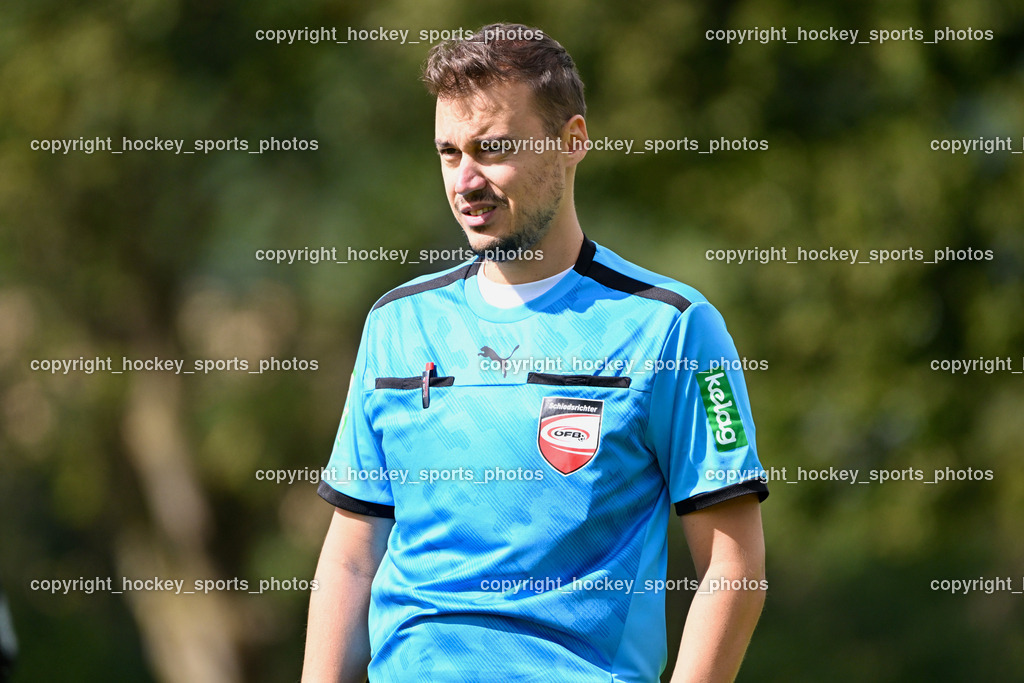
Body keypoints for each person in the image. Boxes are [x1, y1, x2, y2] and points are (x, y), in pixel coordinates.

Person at [303, 22, 768, 683]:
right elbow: (352, 556)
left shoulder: (673, 328)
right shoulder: (396, 322)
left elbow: (735, 565)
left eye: (492, 149)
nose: (466, 179)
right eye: (448, 152)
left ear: (571, 141)